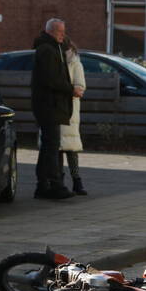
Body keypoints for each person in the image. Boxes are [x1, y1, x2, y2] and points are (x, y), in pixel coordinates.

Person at [30, 18, 78, 199]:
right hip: (48, 105)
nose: (63, 35)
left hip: (48, 105)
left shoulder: (52, 47)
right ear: (51, 32)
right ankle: (55, 184)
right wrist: (70, 89)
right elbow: (51, 79)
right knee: (52, 146)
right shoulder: (47, 51)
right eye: (60, 32)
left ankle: (42, 185)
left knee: (48, 146)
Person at [59, 36, 87, 195]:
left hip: (69, 110)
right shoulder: (59, 61)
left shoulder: (75, 63)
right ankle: (66, 181)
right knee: (62, 148)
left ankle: (75, 180)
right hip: (61, 109)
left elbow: (79, 88)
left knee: (70, 147)